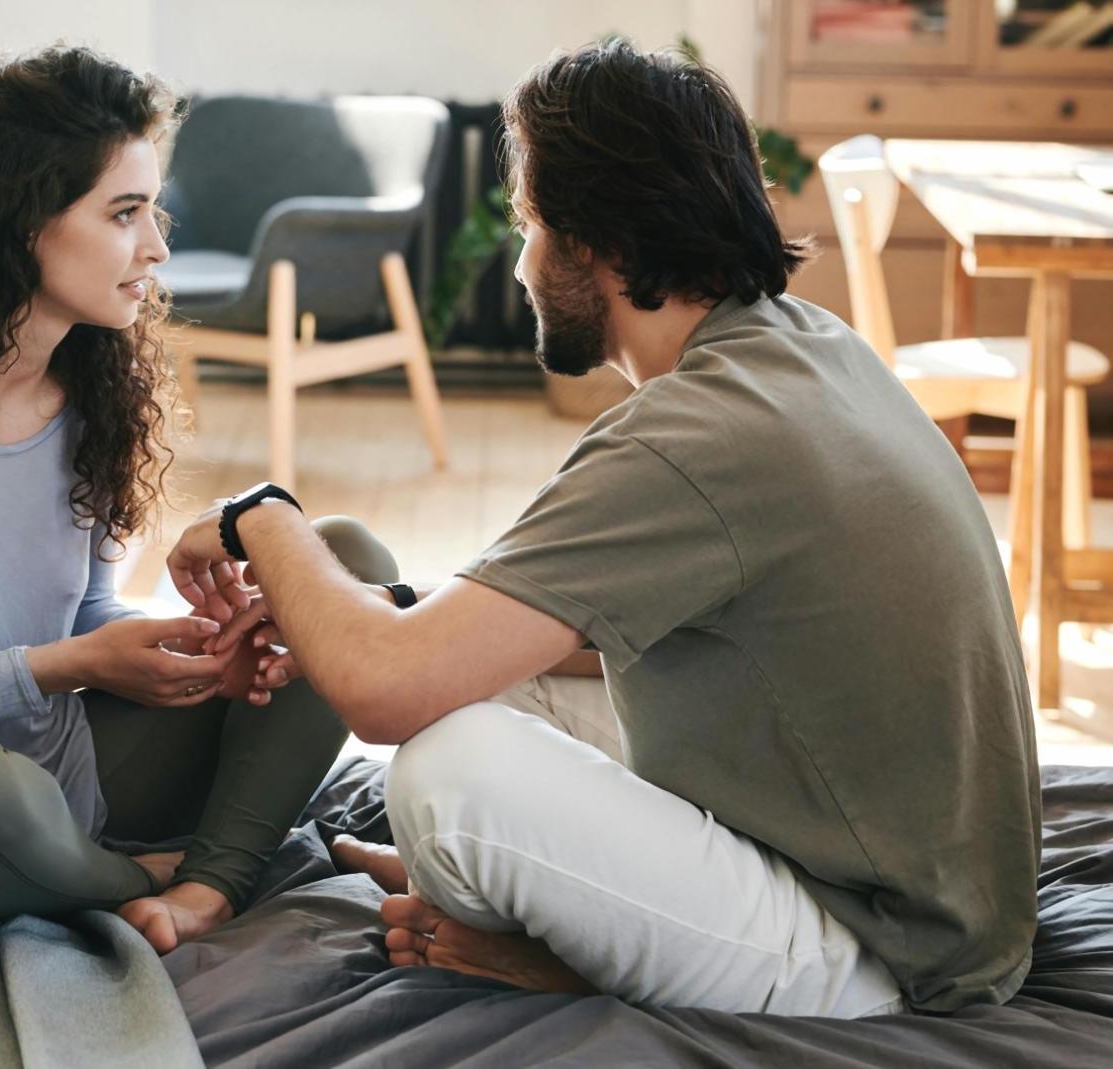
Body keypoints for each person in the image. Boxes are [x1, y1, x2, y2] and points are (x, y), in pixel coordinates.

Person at [166, 39, 1039, 1016]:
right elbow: (591, 630)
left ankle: (552, 953)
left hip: (882, 953)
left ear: (599, 245)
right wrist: (395, 607)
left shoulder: (692, 435)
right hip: (923, 889)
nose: (522, 257)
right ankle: (558, 939)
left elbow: (380, 693)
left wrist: (262, 517)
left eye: (529, 224)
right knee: (482, 685)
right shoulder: (801, 349)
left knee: (445, 770)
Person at [0, 45, 398, 953]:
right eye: (125, 213)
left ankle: (202, 886)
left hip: (54, 772)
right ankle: (146, 879)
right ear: (20, 221)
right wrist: (74, 659)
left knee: (341, 565)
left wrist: (192, 659)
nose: (157, 247)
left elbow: (75, 619)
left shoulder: (87, 387)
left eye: (152, 210)